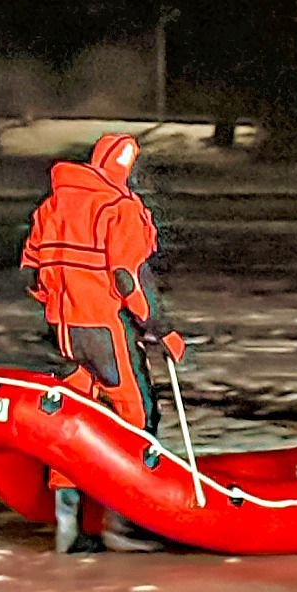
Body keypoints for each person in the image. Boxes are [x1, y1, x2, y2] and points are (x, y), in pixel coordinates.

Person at [20, 133, 186, 435]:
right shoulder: (120, 209)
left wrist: (60, 299)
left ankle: (65, 479)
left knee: (75, 408)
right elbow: (128, 278)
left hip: (64, 328)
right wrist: (161, 329)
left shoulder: (53, 206)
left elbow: (31, 272)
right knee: (135, 408)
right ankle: (139, 473)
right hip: (105, 328)